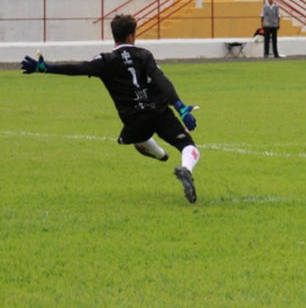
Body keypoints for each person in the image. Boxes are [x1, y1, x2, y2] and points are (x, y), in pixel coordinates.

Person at [19, 14, 201, 203]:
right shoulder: (144, 54)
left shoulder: (105, 60)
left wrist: (46, 67)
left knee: (138, 138)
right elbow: (162, 81)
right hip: (159, 111)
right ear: (131, 36)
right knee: (187, 145)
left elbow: (78, 68)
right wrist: (180, 108)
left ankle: (161, 155)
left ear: (114, 36)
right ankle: (185, 169)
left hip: (133, 120)